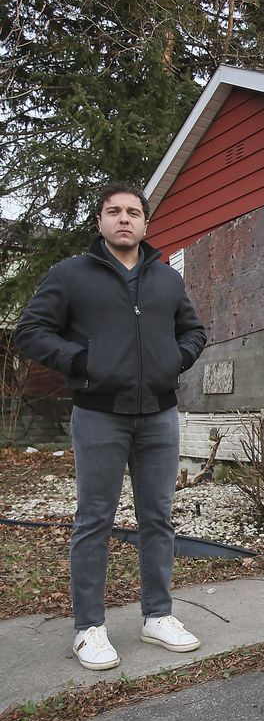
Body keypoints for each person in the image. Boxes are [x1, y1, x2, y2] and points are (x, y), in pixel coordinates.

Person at [14, 182, 207, 670]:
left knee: (158, 518)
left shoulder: (167, 280)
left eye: (133, 212)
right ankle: (89, 628)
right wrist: (83, 362)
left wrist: (173, 361)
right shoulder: (71, 275)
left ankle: (157, 616)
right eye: (114, 211)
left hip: (159, 414)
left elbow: (194, 330)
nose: (124, 219)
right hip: (99, 413)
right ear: (100, 221)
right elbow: (30, 331)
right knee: (94, 520)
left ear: (145, 223)